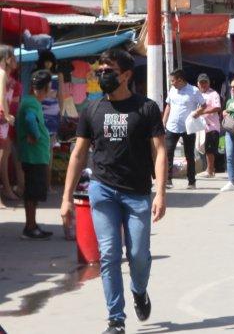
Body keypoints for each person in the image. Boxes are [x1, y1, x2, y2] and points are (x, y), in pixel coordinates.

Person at [60, 47, 167, 334]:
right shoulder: (92, 110)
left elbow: (159, 151)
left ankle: (139, 290)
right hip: (102, 190)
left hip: (137, 193)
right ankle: (115, 319)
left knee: (139, 256)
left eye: (110, 71)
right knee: (108, 254)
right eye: (101, 71)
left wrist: (160, 193)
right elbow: (78, 155)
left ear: (127, 75)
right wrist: (66, 198)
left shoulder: (146, 109)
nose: (103, 75)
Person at [16, 69, 53, 239]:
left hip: (35, 155)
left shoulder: (31, 101)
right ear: (45, 88)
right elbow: (30, 119)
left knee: (34, 193)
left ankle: (32, 225)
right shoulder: (31, 103)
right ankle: (30, 228)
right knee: (32, 193)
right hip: (34, 156)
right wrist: (36, 136)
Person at [163, 69, 203, 190]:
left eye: (173, 81)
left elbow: (203, 105)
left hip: (188, 127)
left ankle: (191, 181)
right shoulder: (172, 90)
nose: (171, 83)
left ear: (180, 80)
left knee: (189, 154)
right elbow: (168, 106)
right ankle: (168, 179)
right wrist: (163, 122)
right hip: (172, 126)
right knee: (168, 153)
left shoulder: (194, 91)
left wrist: (197, 113)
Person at [0, 45, 24, 205]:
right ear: (6, 59)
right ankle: (6, 191)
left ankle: (7, 190)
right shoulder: (2, 74)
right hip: (2, 117)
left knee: (5, 153)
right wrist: (7, 115)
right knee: (3, 155)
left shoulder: (7, 76)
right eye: (12, 57)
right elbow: (2, 97)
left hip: (4, 117)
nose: (15, 60)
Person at [191, 74, 223, 178]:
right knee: (202, 148)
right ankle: (208, 169)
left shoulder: (214, 94)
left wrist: (202, 112)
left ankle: (210, 170)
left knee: (210, 149)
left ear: (209, 83)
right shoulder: (196, 94)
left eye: (205, 82)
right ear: (198, 84)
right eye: (201, 82)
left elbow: (217, 108)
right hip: (200, 127)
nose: (203, 84)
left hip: (212, 126)